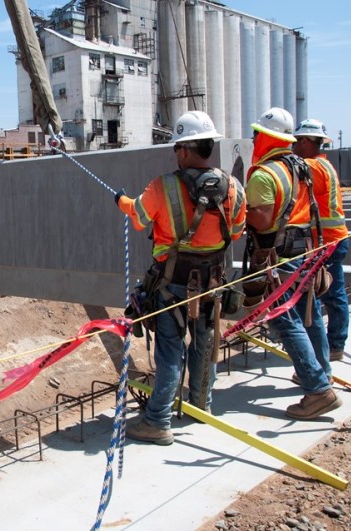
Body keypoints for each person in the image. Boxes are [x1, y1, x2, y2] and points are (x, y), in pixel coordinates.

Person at [115, 111, 246, 445]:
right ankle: (201, 406)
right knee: (206, 344)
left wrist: (122, 201)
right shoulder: (234, 187)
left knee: (171, 350)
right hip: (213, 282)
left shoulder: (163, 186)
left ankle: (157, 420)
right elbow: (237, 230)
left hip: (173, 284)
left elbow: (140, 217)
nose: (176, 154)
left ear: (185, 149)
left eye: (177, 148)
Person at [244, 107, 341, 420]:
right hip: (304, 251)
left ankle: (317, 389)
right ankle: (321, 372)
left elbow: (261, 219)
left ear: (267, 137)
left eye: (257, 133)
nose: (254, 137)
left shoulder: (264, 174)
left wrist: (237, 214)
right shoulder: (299, 165)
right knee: (306, 314)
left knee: (286, 321)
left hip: (279, 256)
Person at [292, 119, 349, 361]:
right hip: (331, 239)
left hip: (328, 241)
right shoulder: (323, 165)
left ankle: (334, 345)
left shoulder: (312, 166)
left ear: (306, 141)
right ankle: (333, 343)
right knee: (332, 292)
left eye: (296, 141)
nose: (293, 146)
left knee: (331, 294)